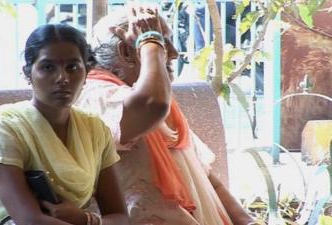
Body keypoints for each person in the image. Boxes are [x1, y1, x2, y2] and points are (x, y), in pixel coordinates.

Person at [75, 4, 255, 225]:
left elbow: (208, 180)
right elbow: (152, 104)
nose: (173, 52)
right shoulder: (96, 97)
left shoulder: (160, 103)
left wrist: (249, 222)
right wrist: (150, 41)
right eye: (163, 42)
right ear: (126, 52)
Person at [0, 24, 128, 225]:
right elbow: (30, 221)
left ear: (86, 71)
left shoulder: (95, 129)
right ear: (28, 73)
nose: (63, 78)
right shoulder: (3, 127)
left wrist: (85, 219)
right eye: (48, 67)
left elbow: (120, 217)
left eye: (72, 67)